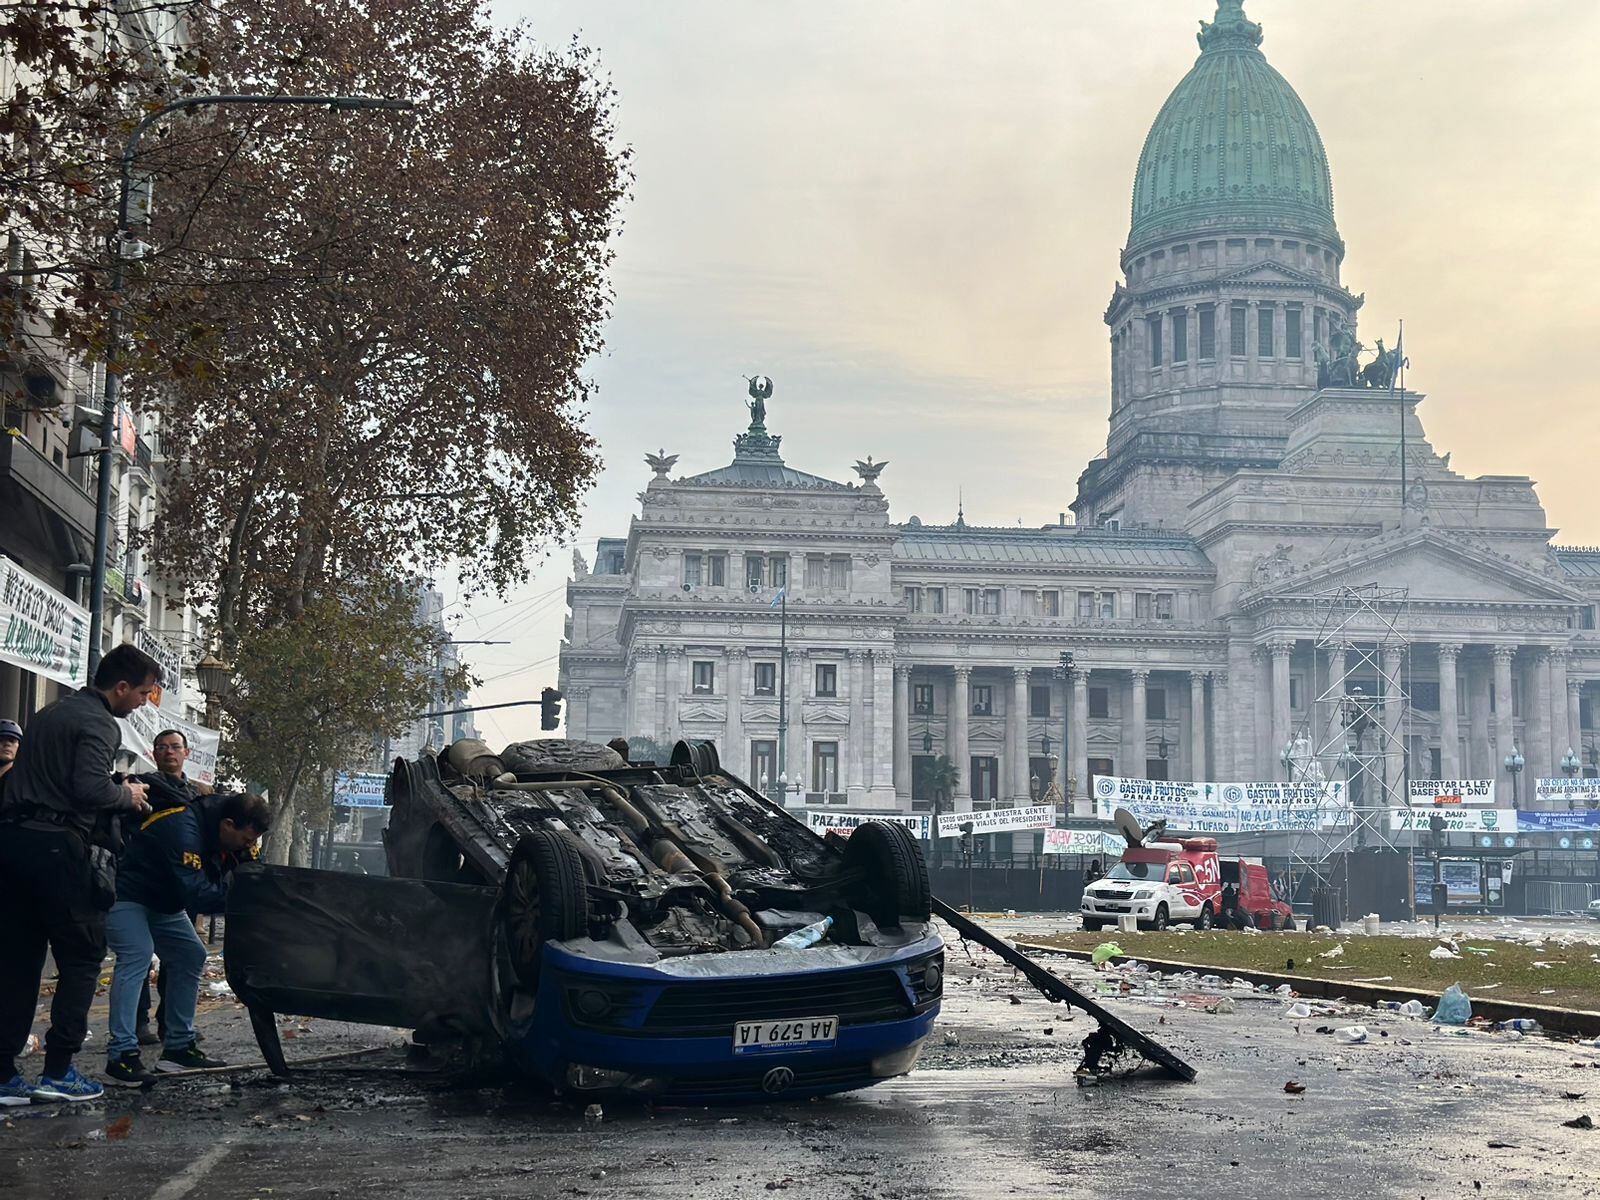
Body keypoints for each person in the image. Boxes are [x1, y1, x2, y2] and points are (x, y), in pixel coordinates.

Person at [0, 644, 160, 1105]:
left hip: (13, 843)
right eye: (143, 694)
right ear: (122, 687)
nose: (142, 703)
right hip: (57, 848)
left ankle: (4, 1073)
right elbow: (87, 788)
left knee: (18, 960)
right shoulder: (99, 722)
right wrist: (125, 796)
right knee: (83, 956)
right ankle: (58, 1071)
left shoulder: (50, 713)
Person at [103, 791, 271, 1083]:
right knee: (137, 955)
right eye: (246, 839)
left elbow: (253, 874)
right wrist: (243, 899)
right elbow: (196, 894)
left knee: (190, 955)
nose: (250, 846)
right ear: (228, 824)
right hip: (127, 895)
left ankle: (178, 1048)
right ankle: (121, 1055)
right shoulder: (182, 829)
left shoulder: (234, 835)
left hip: (163, 902)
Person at [133, 729, 199, 1047]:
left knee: (181, 957)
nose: (169, 752)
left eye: (175, 747)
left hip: (181, 885)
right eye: (162, 747)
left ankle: (171, 1025)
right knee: (139, 957)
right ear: (154, 754)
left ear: (186, 753)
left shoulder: (197, 794)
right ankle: (137, 1024)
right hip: (143, 883)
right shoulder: (144, 788)